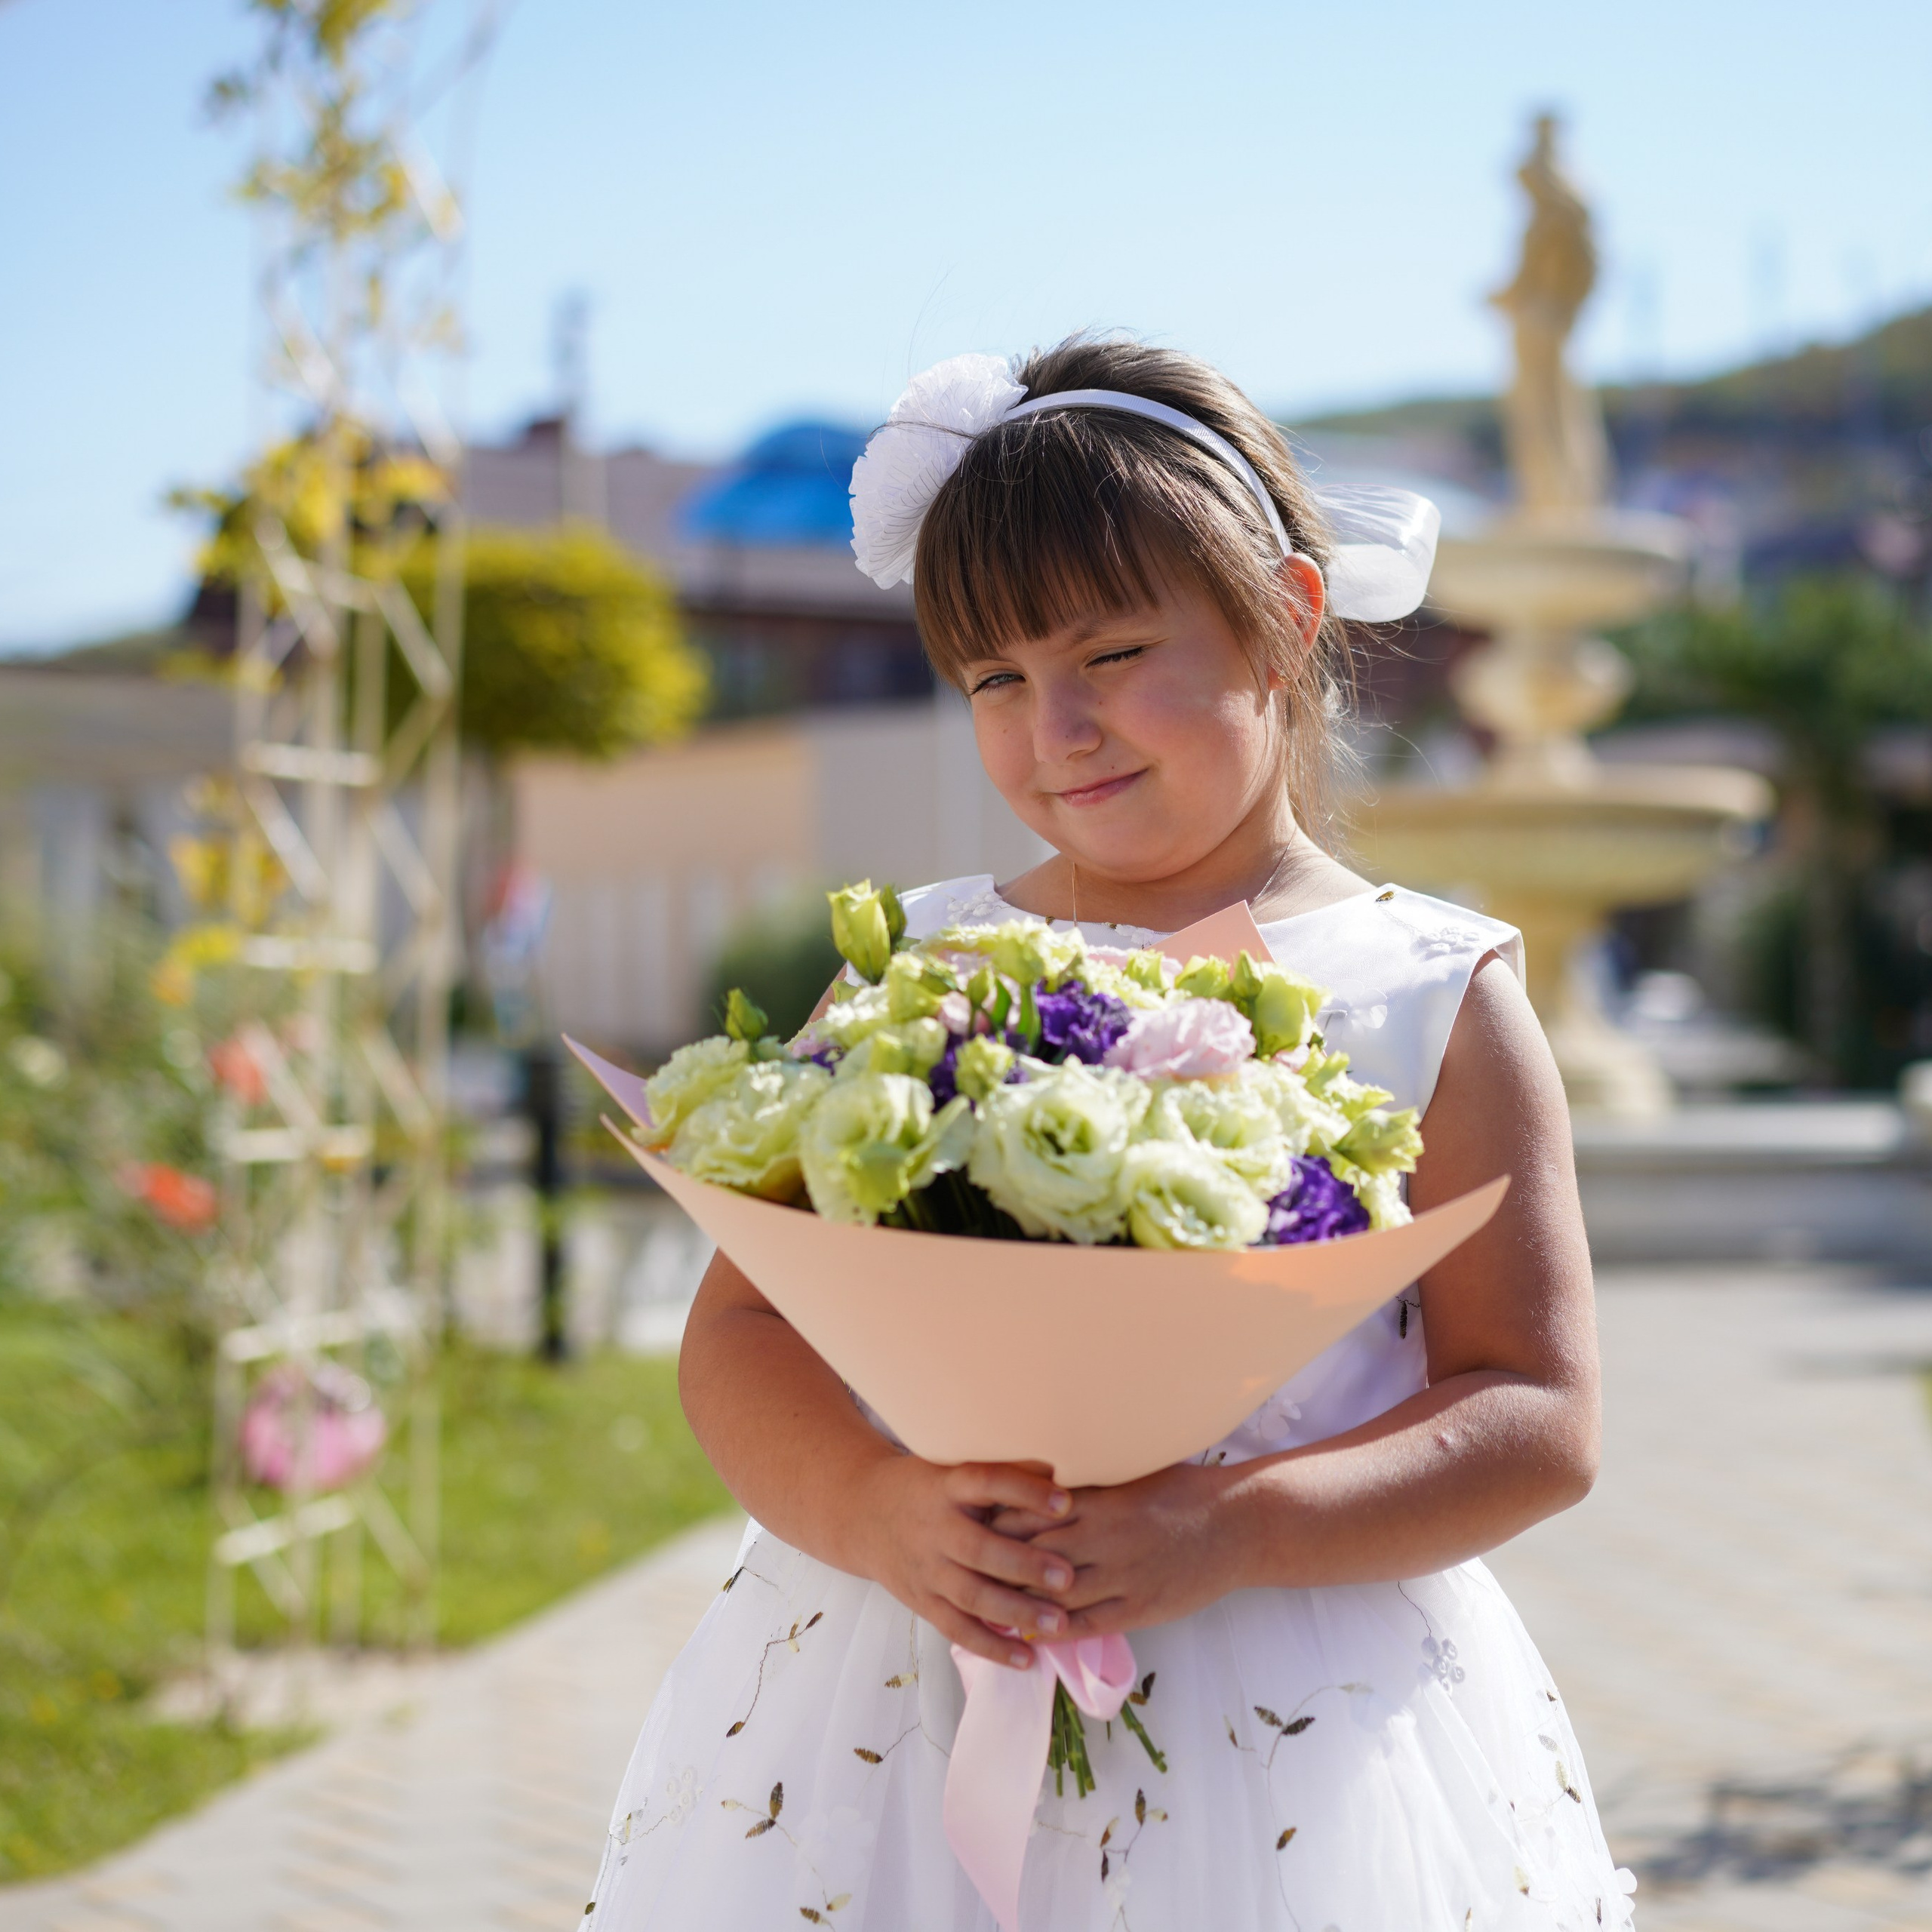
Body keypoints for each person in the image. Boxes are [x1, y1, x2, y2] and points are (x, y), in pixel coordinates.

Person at [581, 337, 1634, 1930]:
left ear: (1283, 617)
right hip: (904, 1667)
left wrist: (1228, 1525)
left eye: (1111, 652)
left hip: (1294, 1703)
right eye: (994, 678)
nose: (1051, 726)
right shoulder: (913, 972)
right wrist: (871, 1505)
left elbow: (1533, 1408)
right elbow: (742, 1330)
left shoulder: (1431, 990)